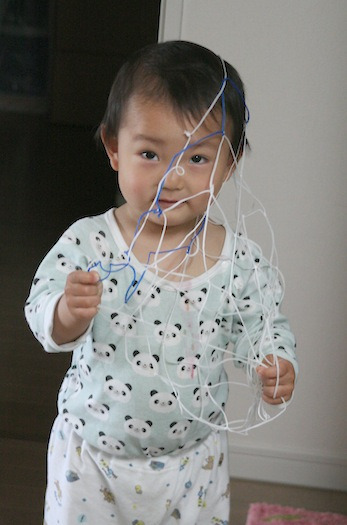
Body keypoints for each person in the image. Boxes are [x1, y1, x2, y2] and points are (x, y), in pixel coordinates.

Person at [25, 40, 297, 525]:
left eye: (196, 160)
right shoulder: (90, 243)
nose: (171, 178)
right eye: (150, 153)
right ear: (113, 148)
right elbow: (42, 313)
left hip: (192, 467)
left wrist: (275, 362)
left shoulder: (237, 260)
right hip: (92, 465)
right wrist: (67, 312)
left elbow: (262, 325)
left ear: (228, 164)